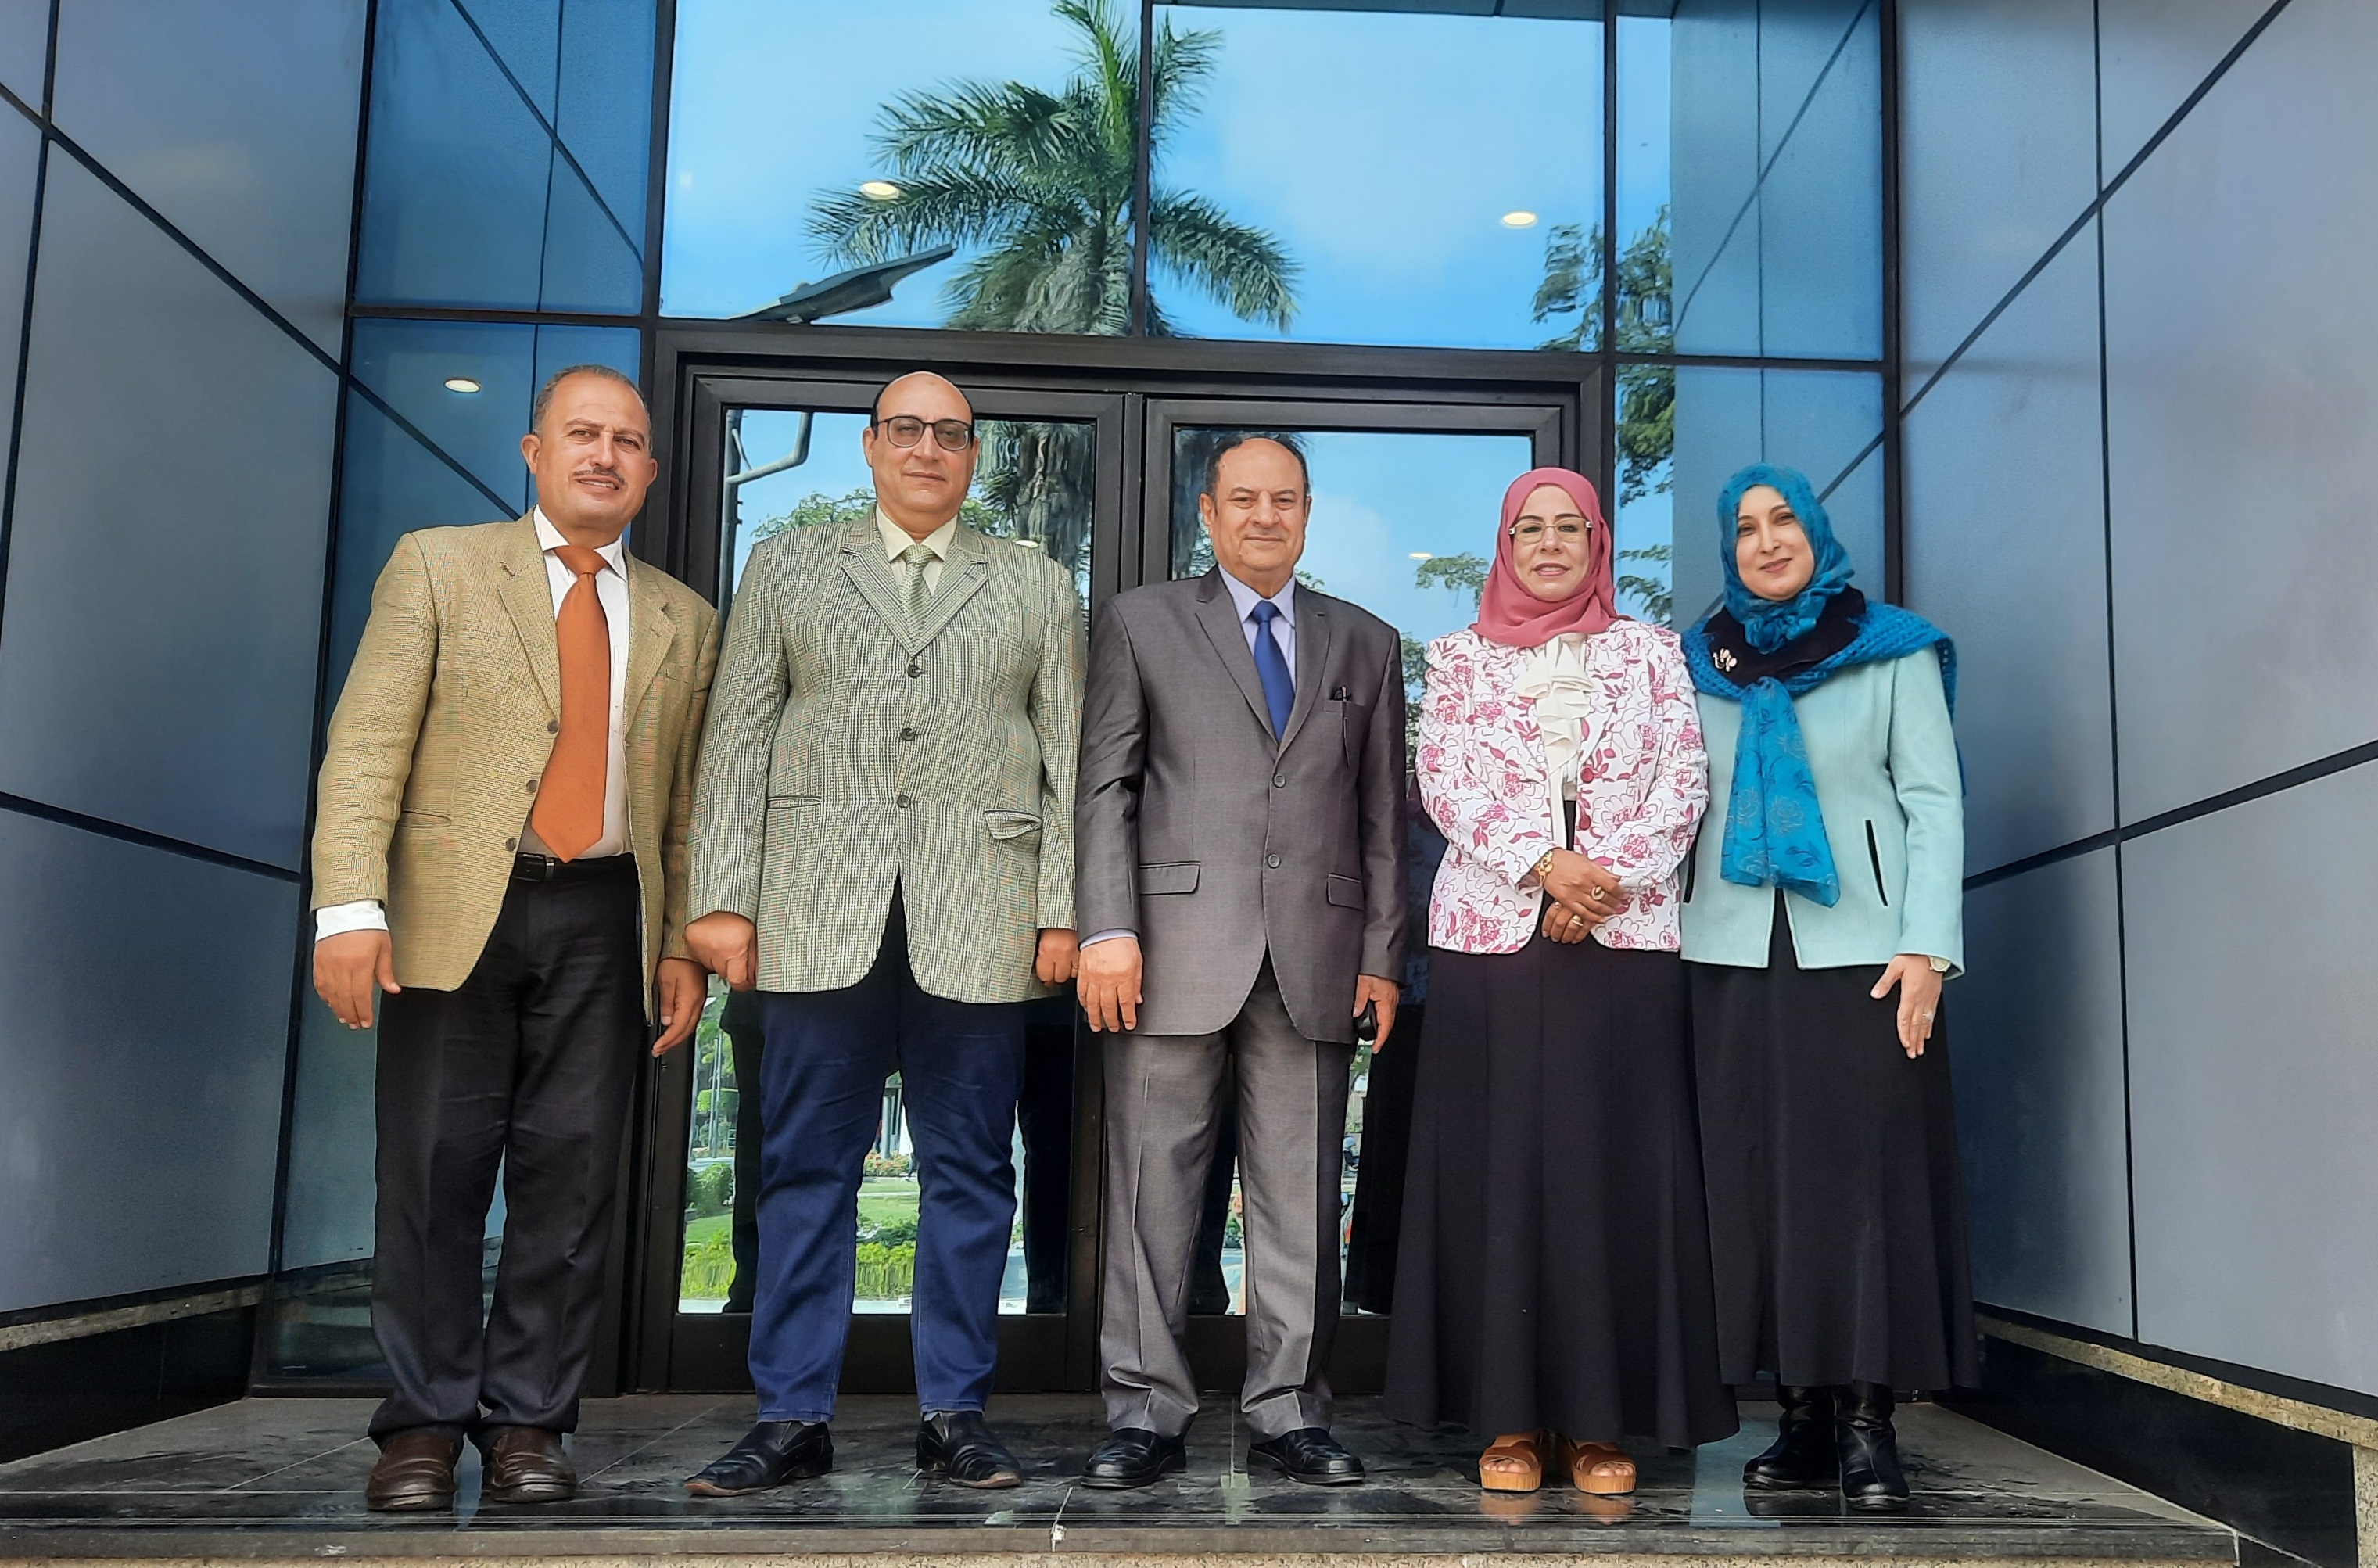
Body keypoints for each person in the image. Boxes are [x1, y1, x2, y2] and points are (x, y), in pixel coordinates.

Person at [310, 366, 718, 1512]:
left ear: (649, 469)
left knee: (572, 1179)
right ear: (532, 451)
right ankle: (424, 1427)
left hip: (606, 916)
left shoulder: (687, 616)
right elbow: (368, 744)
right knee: (433, 1175)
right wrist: (349, 907)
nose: (605, 454)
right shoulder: (437, 565)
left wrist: (680, 942)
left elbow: (685, 801)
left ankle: (532, 1417)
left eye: (627, 441)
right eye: (582, 433)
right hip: (455, 915)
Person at [682, 371, 1084, 1496]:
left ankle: (955, 1411)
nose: (925, 449)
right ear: (867, 446)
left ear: (972, 454)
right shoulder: (788, 563)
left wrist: (1062, 906)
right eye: (904, 430)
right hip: (814, 912)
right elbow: (736, 739)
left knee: (968, 1172)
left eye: (947, 434)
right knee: (803, 1167)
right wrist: (723, 896)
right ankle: (789, 1415)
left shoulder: (1038, 583)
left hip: (981, 915)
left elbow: (1068, 761)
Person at [1383, 468, 1734, 1494]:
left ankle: (1598, 1423)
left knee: (1613, 1175)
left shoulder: (1654, 652)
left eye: (1565, 527)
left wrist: (1602, 881)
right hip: (1491, 939)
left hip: (1619, 944)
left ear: (1595, 540)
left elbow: (1684, 778)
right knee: (1501, 1174)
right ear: (1504, 543)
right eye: (1525, 528)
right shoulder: (1455, 658)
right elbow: (1443, 779)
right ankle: (1507, 1422)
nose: (1546, 544)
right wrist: (1544, 865)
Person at [1074, 432, 1407, 1489]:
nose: (1265, 516)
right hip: (1166, 950)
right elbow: (1104, 788)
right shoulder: (1140, 620)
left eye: (1286, 500)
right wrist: (1105, 927)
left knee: (1300, 1196)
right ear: (1208, 515)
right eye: (1244, 500)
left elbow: (1381, 819)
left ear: (1306, 514)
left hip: (1315, 953)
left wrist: (1382, 954)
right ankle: (1142, 1409)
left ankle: (1289, 1409)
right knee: (1150, 1189)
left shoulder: (1365, 641)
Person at [1678, 462, 1974, 1512]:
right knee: (1760, 1188)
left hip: (1865, 955)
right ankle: (1797, 1413)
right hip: (1725, 957)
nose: (1764, 541)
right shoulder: (1698, 661)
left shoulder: (1889, 646)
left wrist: (1927, 947)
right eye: (1746, 527)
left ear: (1814, 533)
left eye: (1782, 522)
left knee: (1858, 1187)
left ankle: (1865, 1420)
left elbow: (1933, 801)